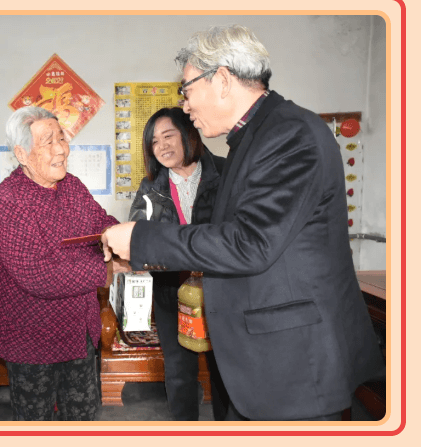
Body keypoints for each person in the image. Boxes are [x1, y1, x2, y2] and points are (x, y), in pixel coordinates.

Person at [102, 25, 385, 421]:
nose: (185, 105)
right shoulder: (252, 139)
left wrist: (142, 239)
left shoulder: (288, 134)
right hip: (266, 358)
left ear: (221, 80)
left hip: (295, 364)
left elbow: (250, 242)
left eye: (186, 90)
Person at [0, 106, 127, 421]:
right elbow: (38, 275)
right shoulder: (8, 202)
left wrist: (119, 236)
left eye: (61, 138)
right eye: (48, 142)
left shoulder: (72, 187)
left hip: (79, 335)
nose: (61, 149)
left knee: (83, 418)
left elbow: (100, 222)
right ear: (21, 154)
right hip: (31, 342)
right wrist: (106, 268)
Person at [128, 107, 229, 421]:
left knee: (226, 369)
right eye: (154, 142)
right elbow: (139, 237)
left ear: (188, 134)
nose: (162, 146)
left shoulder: (226, 173)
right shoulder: (150, 187)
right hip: (171, 290)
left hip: (222, 287)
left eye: (168, 136)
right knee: (179, 370)